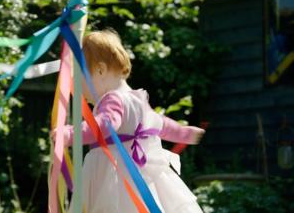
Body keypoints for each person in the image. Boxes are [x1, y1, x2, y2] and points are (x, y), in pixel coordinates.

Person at [53, 30, 205, 213]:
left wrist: (69, 134)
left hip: (115, 181)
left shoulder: (113, 100)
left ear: (100, 70)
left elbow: (103, 125)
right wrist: (186, 133)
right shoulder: (138, 100)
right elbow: (161, 124)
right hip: (142, 177)